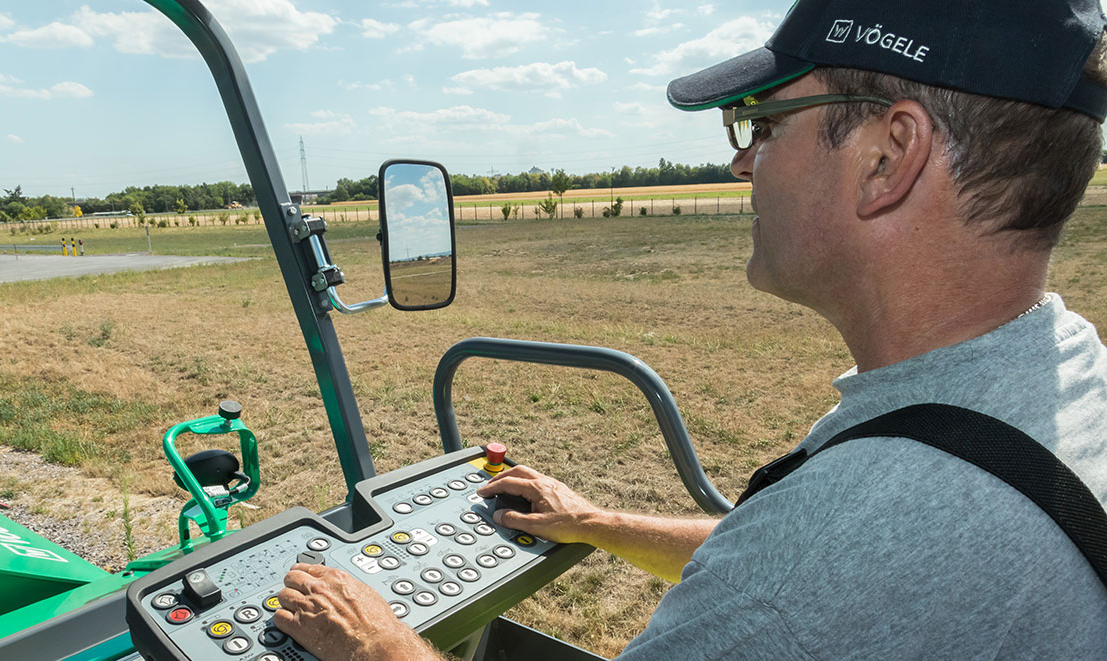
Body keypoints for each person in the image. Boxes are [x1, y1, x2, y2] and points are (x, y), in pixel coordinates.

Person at [273, 0, 1107, 658]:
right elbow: (804, 558)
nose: (743, 162)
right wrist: (597, 521)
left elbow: (811, 571)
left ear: (889, 156)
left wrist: (374, 645)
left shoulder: (825, 555)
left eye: (766, 124)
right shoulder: (1055, 372)